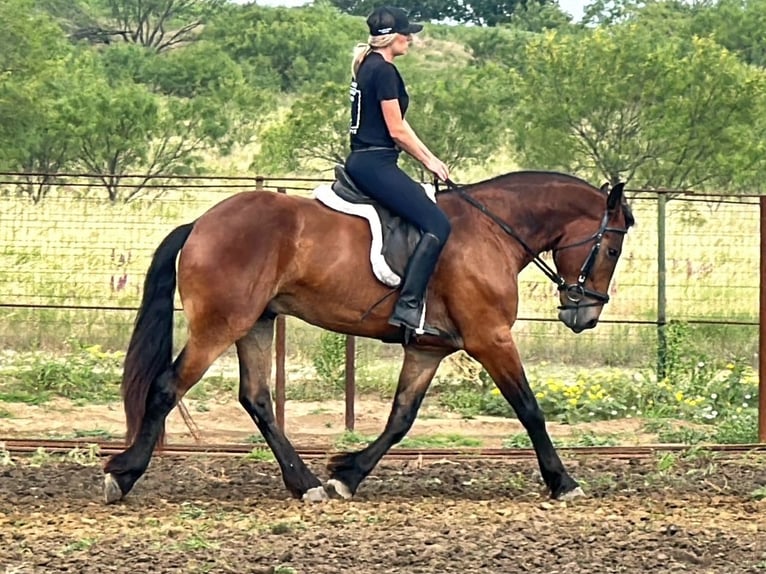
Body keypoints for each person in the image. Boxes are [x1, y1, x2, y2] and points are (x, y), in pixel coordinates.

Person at [344, 5, 452, 338]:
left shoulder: (368, 65)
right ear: (392, 38)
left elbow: (400, 125)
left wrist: (430, 155)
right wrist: (429, 162)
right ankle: (408, 306)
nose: (411, 39)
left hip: (366, 159)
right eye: (407, 34)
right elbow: (396, 130)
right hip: (375, 163)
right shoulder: (385, 71)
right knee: (437, 223)